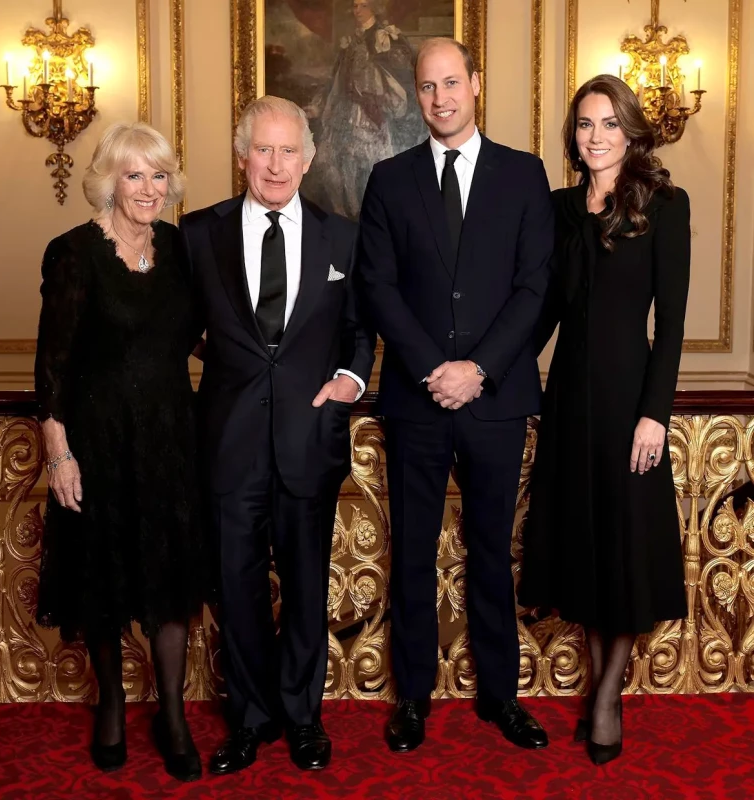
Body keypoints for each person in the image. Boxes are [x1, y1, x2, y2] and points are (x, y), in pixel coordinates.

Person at [358, 38, 554, 753]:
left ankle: (500, 697)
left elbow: (535, 287)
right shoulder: (389, 179)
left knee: (490, 552)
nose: (440, 97)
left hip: (496, 401)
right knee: (409, 552)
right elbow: (376, 287)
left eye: (451, 82)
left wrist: (479, 369)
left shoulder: (524, 175)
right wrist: (432, 369)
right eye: (426, 86)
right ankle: (412, 698)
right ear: (416, 95)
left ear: (475, 83)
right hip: (416, 402)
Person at [179, 96, 375, 775]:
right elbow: (176, 326)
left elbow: (358, 329)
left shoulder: (341, 238)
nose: (275, 164)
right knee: (236, 593)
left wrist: (349, 379)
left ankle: (302, 718)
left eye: (288, 150)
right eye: (262, 149)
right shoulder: (197, 232)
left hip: (306, 441)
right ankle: (249, 720)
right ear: (242, 156)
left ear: (309, 159)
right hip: (228, 445)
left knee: (303, 588)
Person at [518, 74, 690, 766]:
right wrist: (487, 370)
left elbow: (671, 326)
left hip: (628, 406)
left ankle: (608, 696)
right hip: (569, 402)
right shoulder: (559, 209)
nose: (595, 136)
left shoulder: (665, 205)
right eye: (585, 125)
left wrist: (655, 414)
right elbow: (544, 312)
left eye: (608, 124)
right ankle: (599, 687)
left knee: (621, 548)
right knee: (584, 547)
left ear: (630, 131)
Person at [34, 122, 203, 782]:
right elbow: (51, 366)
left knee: (170, 581)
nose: (149, 188)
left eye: (159, 175)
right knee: (101, 578)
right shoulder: (73, 253)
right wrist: (58, 455)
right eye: (134, 174)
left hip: (170, 441)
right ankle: (109, 702)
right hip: (97, 445)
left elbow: (198, 338)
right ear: (109, 181)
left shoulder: (181, 250)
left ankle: (171, 712)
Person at [304, 0, 424, 218]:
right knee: (340, 161)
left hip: (374, 111)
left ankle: (375, 213)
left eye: (363, 5)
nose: (357, 10)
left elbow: (404, 74)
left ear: (375, 8)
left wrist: (377, 92)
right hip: (347, 110)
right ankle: (347, 214)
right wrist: (319, 106)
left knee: (372, 162)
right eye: (355, 6)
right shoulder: (349, 42)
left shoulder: (387, 37)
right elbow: (336, 79)